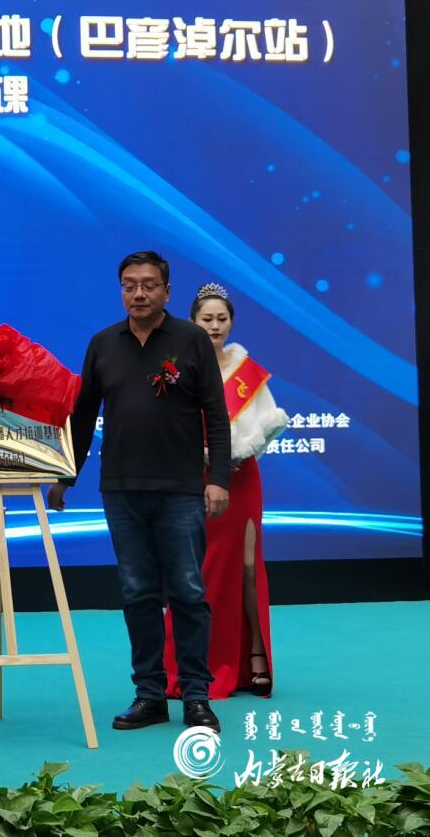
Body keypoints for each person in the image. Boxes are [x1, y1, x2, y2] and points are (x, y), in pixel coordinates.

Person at [48, 251, 230, 733]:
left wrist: (218, 479)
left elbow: (216, 414)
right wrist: (66, 474)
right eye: (129, 285)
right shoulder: (103, 344)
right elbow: (83, 417)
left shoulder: (191, 340)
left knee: (188, 592)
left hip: (182, 489)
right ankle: (149, 695)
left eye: (149, 285)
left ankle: (196, 695)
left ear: (167, 291)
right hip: (123, 489)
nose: (139, 294)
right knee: (137, 593)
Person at [162, 283, 287, 699]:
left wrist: (240, 451)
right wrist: (203, 455)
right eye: (207, 319)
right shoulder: (176, 368)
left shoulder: (246, 371)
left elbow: (266, 423)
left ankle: (254, 659)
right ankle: (191, 664)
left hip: (241, 478)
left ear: (231, 322)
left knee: (248, 568)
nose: (215, 326)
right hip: (194, 478)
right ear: (192, 321)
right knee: (199, 570)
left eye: (222, 318)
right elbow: (164, 426)